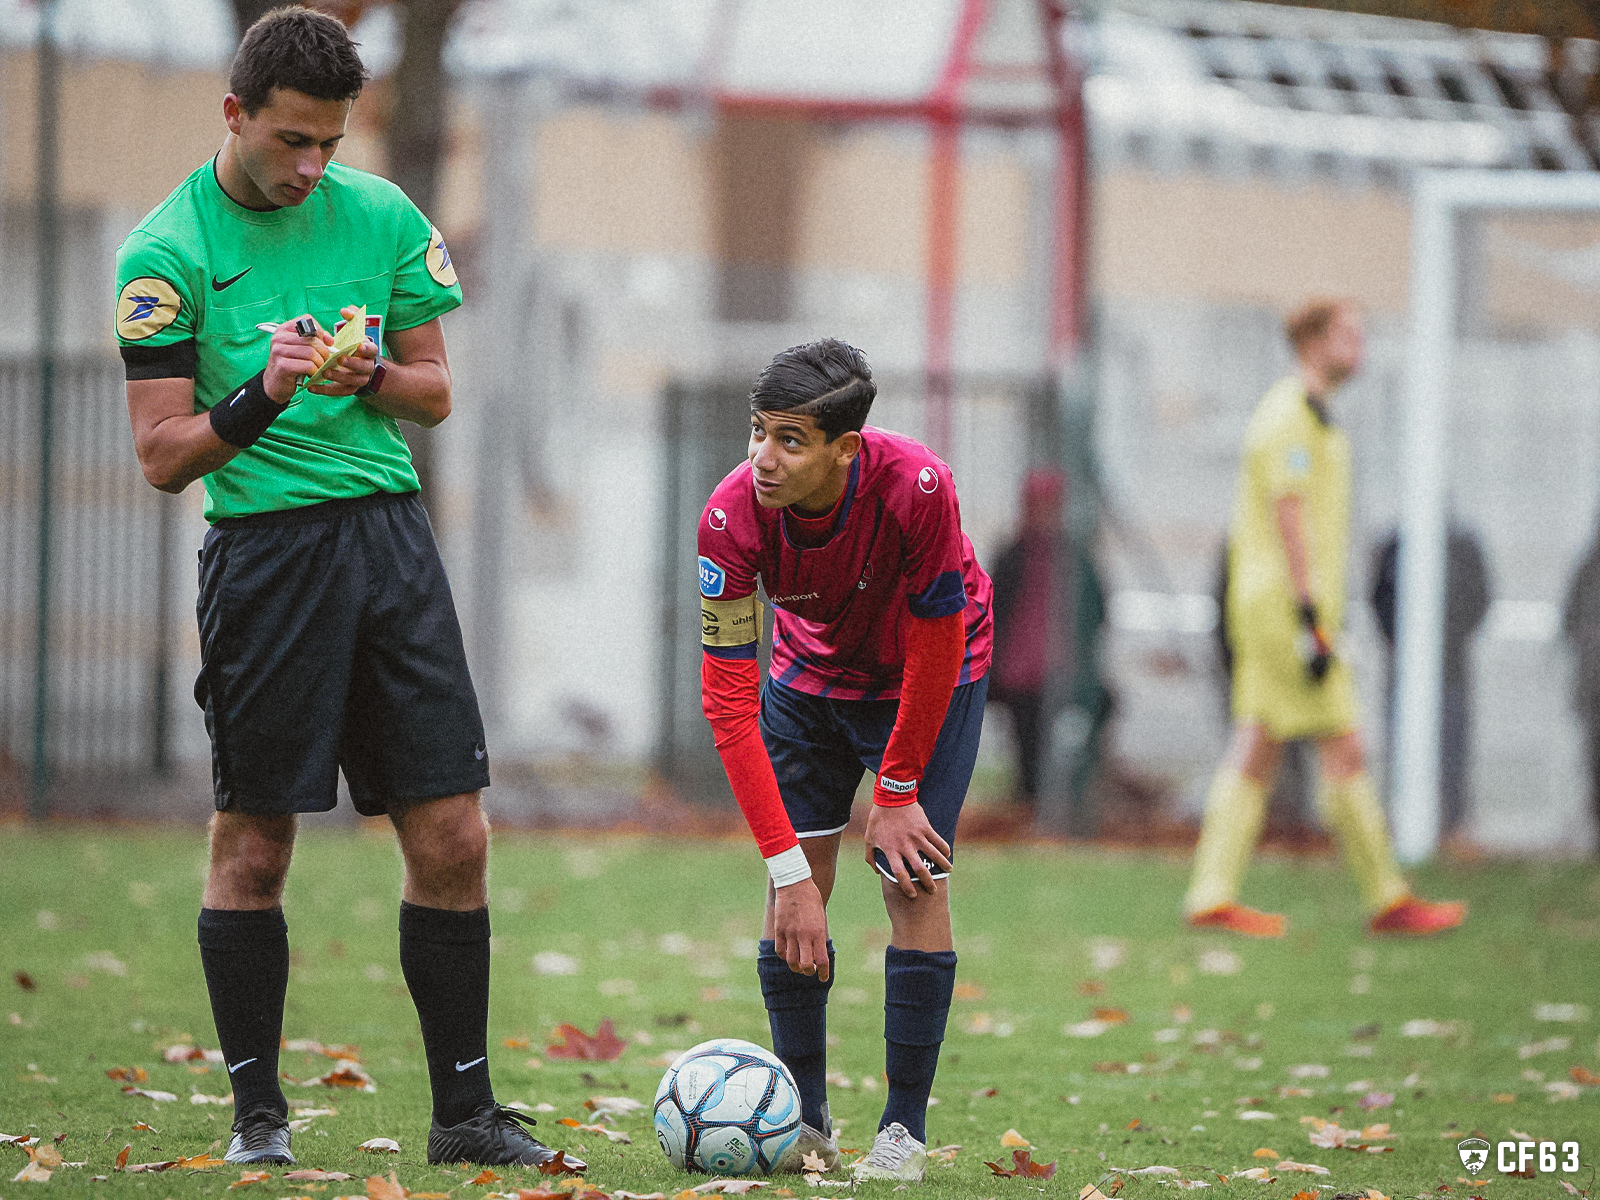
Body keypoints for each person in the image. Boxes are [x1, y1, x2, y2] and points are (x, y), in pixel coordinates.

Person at [115, 8, 577, 1171]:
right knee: (258, 844)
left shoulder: (380, 214)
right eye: (289, 142)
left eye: (328, 141)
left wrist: (374, 373)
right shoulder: (163, 255)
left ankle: (465, 1116)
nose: (312, 166)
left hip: (390, 543)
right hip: (265, 559)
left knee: (455, 835)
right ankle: (258, 1118)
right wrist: (260, 395)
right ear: (234, 116)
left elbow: (435, 393)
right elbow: (163, 456)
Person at [697, 339, 992, 1183]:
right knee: (795, 889)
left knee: (914, 880)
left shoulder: (917, 487)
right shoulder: (729, 517)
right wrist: (789, 875)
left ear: (844, 449)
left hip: (930, 674)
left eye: (790, 439)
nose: (764, 457)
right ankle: (807, 1119)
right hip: (805, 676)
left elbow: (940, 633)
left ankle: (902, 1132)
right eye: (758, 431)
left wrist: (898, 790)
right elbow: (727, 705)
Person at [1183, 299, 1465, 938]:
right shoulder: (1290, 416)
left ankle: (1211, 891)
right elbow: (1288, 513)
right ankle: (1388, 897)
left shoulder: (1316, 419)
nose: (1360, 345)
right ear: (1311, 341)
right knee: (1345, 742)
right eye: (1347, 334)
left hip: (1274, 609)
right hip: (1287, 612)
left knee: (1255, 744)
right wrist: (1311, 614)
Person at [987, 469, 1107, 831]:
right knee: (1029, 740)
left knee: (1082, 726)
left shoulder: (1073, 558)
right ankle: (1032, 809)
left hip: (1064, 670)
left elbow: (1098, 610)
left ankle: (1070, 803)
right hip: (1021, 673)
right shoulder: (1013, 555)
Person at [1370, 524, 1490, 849]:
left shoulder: (1464, 546)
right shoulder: (1395, 543)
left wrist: (1451, 639)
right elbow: (1377, 598)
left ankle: (1452, 826)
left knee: (1452, 748)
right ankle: (1396, 822)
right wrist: (1399, 643)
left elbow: (1481, 599)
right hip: (1401, 669)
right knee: (1399, 744)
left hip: (1452, 669)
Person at [1562, 529, 1600, 855]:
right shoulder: (1589, 567)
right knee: (1593, 760)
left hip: (1591, 685)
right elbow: (1569, 619)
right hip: (1593, 690)